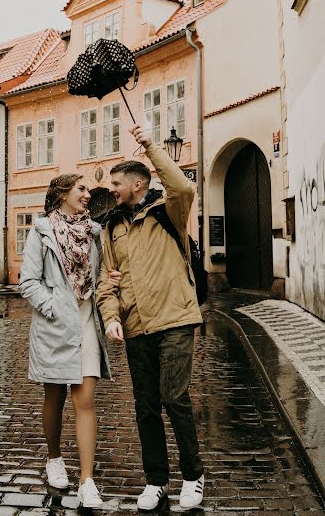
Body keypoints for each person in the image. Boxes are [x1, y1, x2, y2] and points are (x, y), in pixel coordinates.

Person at [97, 124, 205, 511]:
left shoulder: (168, 211)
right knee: (146, 406)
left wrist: (150, 146)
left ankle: (193, 476)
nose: (111, 188)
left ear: (138, 184)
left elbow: (184, 188)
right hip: (136, 328)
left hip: (174, 319)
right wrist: (111, 316)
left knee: (175, 398)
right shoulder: (112, 228)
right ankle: (156, 481)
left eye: (117, 182)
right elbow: (106, 283)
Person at [19, 174, 119, 509]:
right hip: (53, 326)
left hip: (87, 322)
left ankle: (87, 481)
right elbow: (29, 282)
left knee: (86, 399)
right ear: (62, 194)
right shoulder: (41, 232)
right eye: (81, 189)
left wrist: (111, 277)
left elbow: (103, 272)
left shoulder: (94, 232)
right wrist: (54, 307)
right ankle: (54, 458)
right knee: (55, 395)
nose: (88, 195)